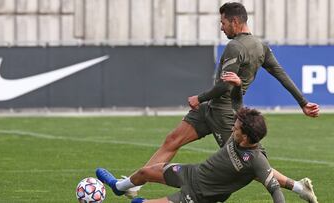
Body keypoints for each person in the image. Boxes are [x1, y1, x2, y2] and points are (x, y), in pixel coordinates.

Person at [131, 2, 319, 203]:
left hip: (225, 113)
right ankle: (135, 185)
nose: (221, 27)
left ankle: (298, 187)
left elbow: (225, 86)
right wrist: (302, 102)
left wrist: (199, 98)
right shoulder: (260, 46)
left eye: (223, 22)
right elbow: (280, 74)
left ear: (235, 21)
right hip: (209, 109)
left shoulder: (235, 46)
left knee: (247, 161)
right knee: (173, 140)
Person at [96, 108, 285, 203]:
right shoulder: (239, 136)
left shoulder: (257, 160)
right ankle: (118, 187)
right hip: (191, 173)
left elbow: (275, 190)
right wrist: (235, 85)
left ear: (245, 136)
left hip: (197, 196)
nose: (232, 129)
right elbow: (236, 102)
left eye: (235, 128)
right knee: (145, 172)